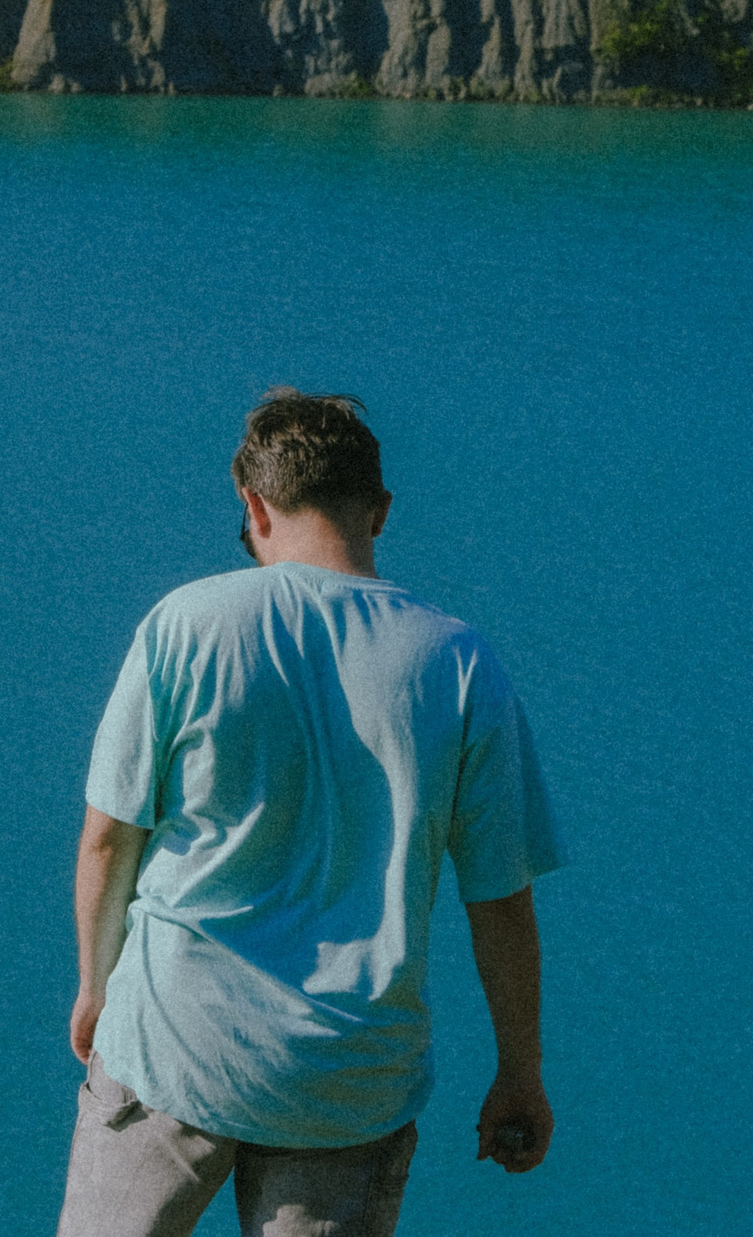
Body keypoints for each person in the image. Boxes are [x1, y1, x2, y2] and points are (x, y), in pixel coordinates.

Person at [57, 388, 563, 1237]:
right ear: (380, 510)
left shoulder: (187, 623)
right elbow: (501, 899)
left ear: (253, 506)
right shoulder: (459, 661)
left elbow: (110, 839)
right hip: (347, 1079)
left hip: (175, 1042)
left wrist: (94, 986)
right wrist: (521, 1070)